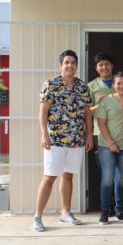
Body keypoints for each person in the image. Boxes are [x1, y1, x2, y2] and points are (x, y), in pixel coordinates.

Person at [32, 50, 93, 232]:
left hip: (76, 139)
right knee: (50, 177)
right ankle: (37, 217)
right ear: (61, 65)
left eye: (73, 62)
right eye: (66, 62)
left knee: (68, 175)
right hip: (55, 139)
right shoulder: (51, 84)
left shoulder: (83, 87)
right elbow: (43, 112)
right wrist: (44, 134)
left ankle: (65, 213)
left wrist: (89, 135)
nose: (70, 66)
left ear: (76, 65)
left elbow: (87, 113)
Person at [95, 72, 123, 225]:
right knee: (107, 178)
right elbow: (101, 124)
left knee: (121, 179)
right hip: (106, 145)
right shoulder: (106, 101)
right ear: (113, 85)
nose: (122, 86)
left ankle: (120, 210)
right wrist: (111, 143)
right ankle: (105, 212)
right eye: (119, 83)